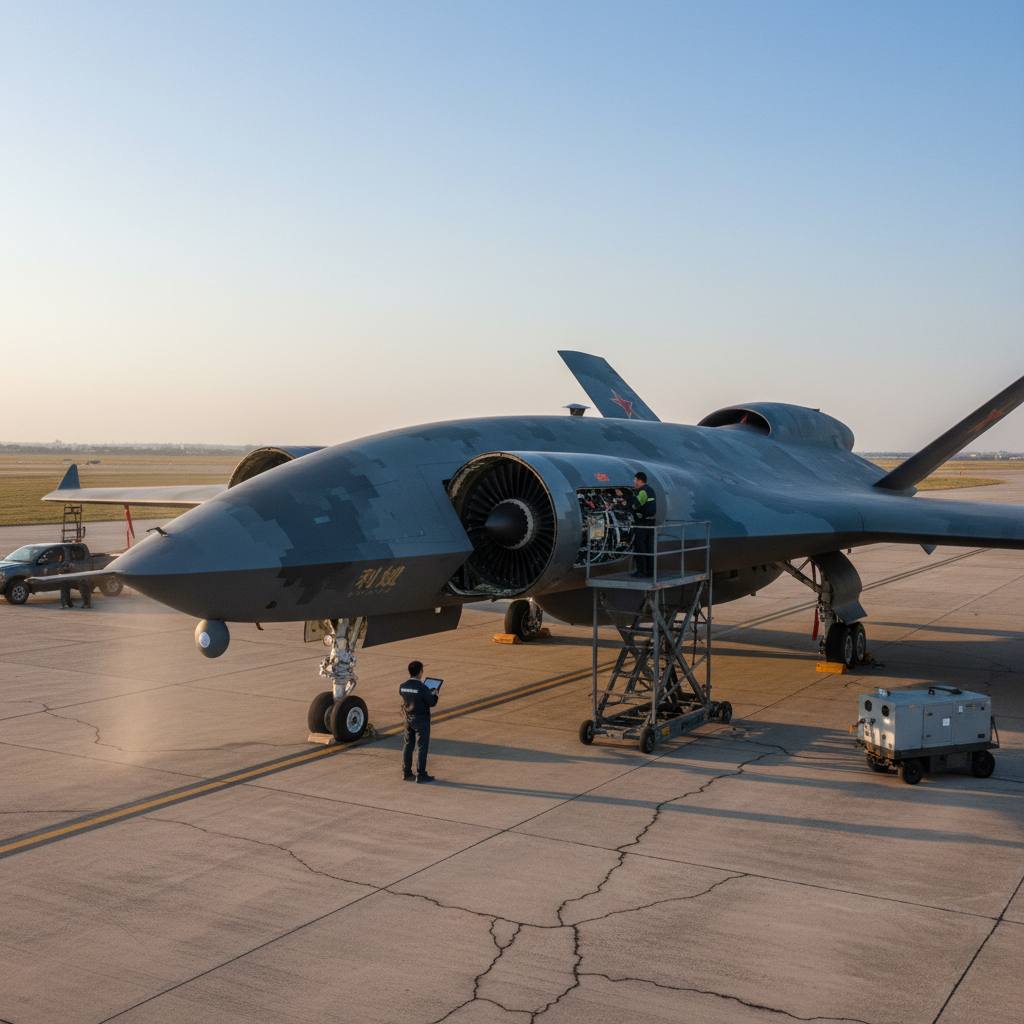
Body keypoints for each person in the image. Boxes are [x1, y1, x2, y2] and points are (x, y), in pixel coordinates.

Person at [399, 659, 438, 783]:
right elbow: (432, 702)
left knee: (408, 745)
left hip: (408, 719)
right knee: (421, 747)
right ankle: (421, 774)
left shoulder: (403, 686)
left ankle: (406, 772)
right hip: (421, 720)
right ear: (420, 672)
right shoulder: (422, 687)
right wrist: (435, 694)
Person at [631, 471, 657, 577]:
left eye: (635, 480)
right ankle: (650, 571)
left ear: (640, 480)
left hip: (643, 523)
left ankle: (641, 571)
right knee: (649, 547)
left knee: (640, 546)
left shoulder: (643, 491)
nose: (634, 482)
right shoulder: (650, 490)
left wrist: (627, 498)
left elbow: (636, 505)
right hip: (651, 523)